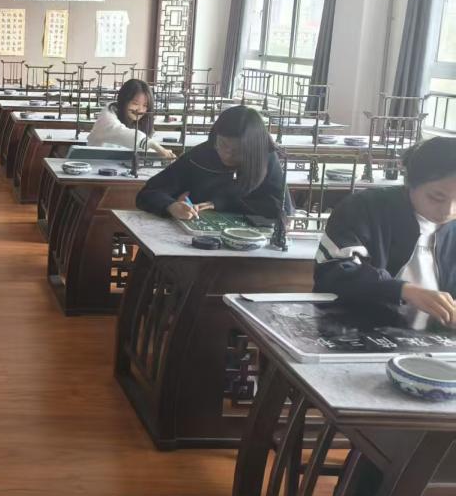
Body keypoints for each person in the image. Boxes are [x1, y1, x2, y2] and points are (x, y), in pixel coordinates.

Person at [314, 136, 456, 328]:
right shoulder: (364, 208)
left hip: (433, 340)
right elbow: (334, 270)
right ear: (409, 182)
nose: (448, 211)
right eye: (436, 197)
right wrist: (403, 290)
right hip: (359, 331)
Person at [136, 104, 285, 220]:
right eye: (223, 144)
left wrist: (219, 204)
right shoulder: (200, 156)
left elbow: (280, 209)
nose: (228, 154)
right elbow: (148, 193)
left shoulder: (266, 158)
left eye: (238, 150)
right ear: (215, 137)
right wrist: (171, 206)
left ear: (254, 150)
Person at [87, 78, 174, 159]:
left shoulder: (140, 121)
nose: (140, 110)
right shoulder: (107, 116)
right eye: (135, 103)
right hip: (95, 161)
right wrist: (153, 144)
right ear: (124, 100)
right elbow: (120, 132)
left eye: (145, 105)